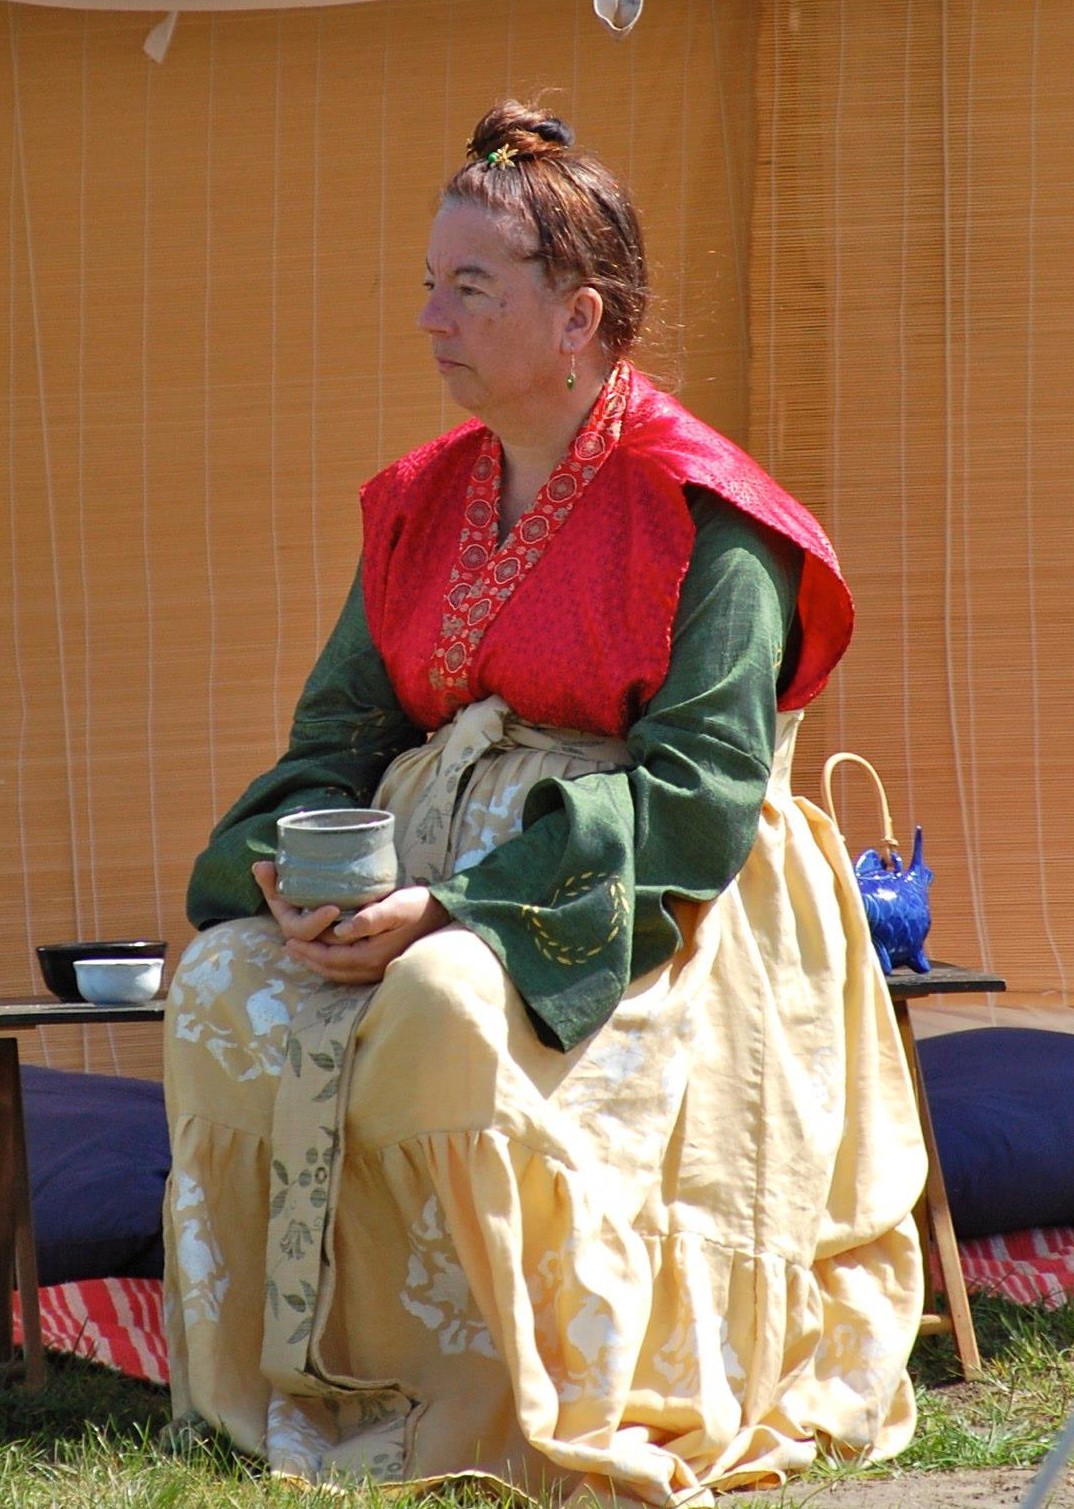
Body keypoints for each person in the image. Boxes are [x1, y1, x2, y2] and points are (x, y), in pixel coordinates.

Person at [162, 101, 926, 1503]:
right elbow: (337, 730)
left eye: (468, 288)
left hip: (645, 889)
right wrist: (289, 871)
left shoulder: (707, 512)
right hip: (427, 871)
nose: (428, 316)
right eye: (426, 282)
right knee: (221, 981)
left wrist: (451, 906)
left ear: (578, 317)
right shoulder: (419, 501)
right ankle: (276, 1384)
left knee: (449, 1002)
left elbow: (699, 790)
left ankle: (515, 1394)